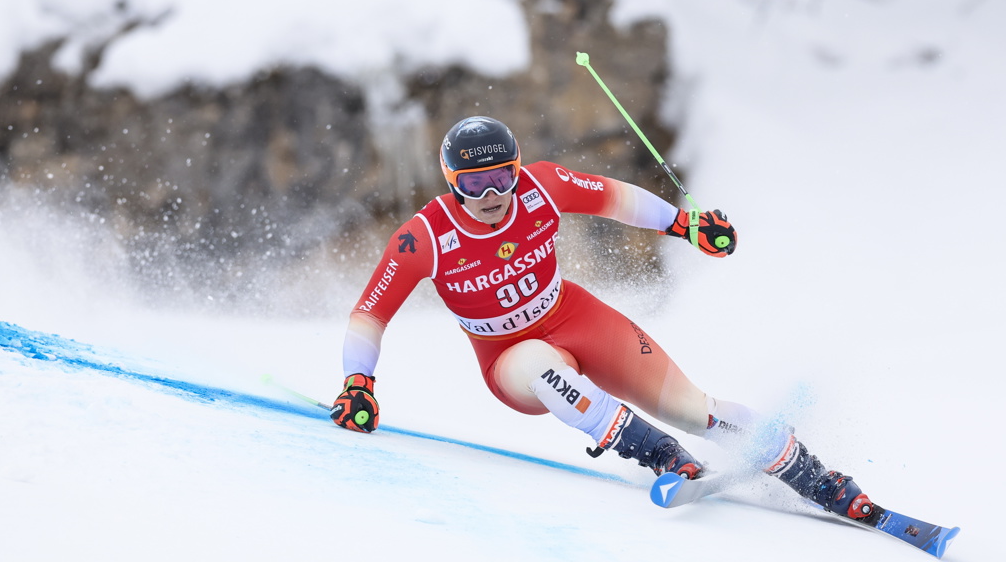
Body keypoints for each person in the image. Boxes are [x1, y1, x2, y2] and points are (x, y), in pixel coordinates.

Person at [331, 115, 880, 524]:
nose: (493, 194)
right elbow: (370, 314)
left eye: (503, 177)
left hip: (573, 315)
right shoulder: (424, 238)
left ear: (518, 170)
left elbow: (616, 199)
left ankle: (818, 478)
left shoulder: (541, 186)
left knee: (692, 408)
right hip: (509, 359)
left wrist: (685, 225)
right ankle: (659, 453)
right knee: (543, 365)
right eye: (475, 184)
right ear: (453, 182)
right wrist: (360, 382)